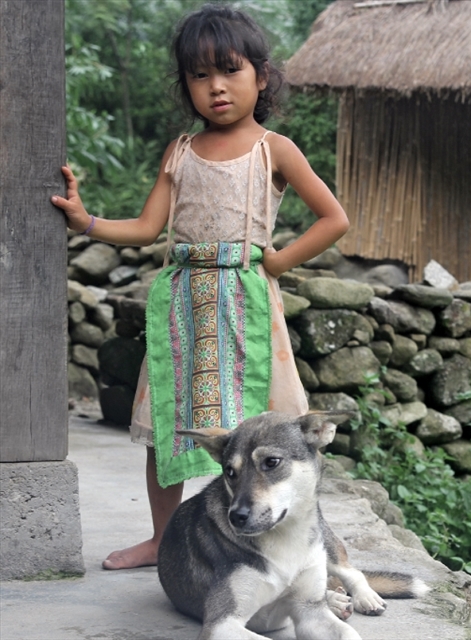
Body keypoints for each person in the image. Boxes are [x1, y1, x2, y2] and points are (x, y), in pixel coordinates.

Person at [52, 4, 349, 570]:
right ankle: (165, 542)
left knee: (256, 432)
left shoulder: (274, 149)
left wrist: (278, 261)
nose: (215, 87)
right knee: (169, 425)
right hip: (183, 307)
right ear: (185, 84)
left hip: (248, 310)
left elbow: (333, 218)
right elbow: (145, 229)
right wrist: (86, 222)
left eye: (230, 71)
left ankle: (276, 545)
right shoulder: (181, 151)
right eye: (199, 75)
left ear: (261, 77)